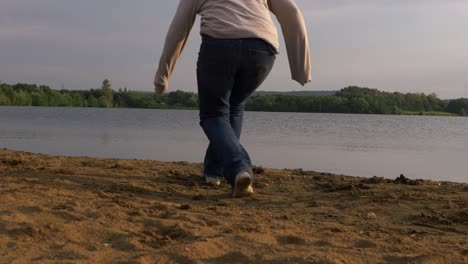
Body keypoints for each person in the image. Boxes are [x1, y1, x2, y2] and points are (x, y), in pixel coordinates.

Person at [154, 0, 311, 198]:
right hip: (262, 50)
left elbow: (179, 28)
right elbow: (292, 12)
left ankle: (239, 169)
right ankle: (213, 172)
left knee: (213, 114)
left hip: (220, 45)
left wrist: (163, 75)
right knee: (234, 107)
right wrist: (301, 69)